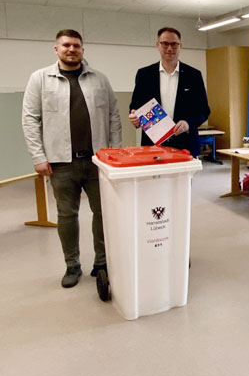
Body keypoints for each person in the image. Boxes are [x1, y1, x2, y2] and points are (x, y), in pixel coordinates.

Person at [22, 29, 122, 288]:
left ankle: (102, 262)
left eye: (76, 45)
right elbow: (30, 119)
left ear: (82, 50)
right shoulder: (40, 79)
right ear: (56, 49)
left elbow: (114, 116)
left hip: (97, 161)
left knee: (103, 214)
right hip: (60, 163)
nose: (71, 49)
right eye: (66, 45)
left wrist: (116, 152)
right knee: (67, 216)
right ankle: (72, 265)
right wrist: (38, 156)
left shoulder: (99, 79)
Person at [129, 27, 210, 156]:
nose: (169, 48)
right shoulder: (145, 74)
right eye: (165, 44)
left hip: (185, 145)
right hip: (153, 145)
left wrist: (188, 123)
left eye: (174, 44)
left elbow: (204, 110)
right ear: (158, 45)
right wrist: (134, 117)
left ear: (180, 46)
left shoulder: (193, 75)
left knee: (184, 177)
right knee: (154, 177)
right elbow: (135, 106)